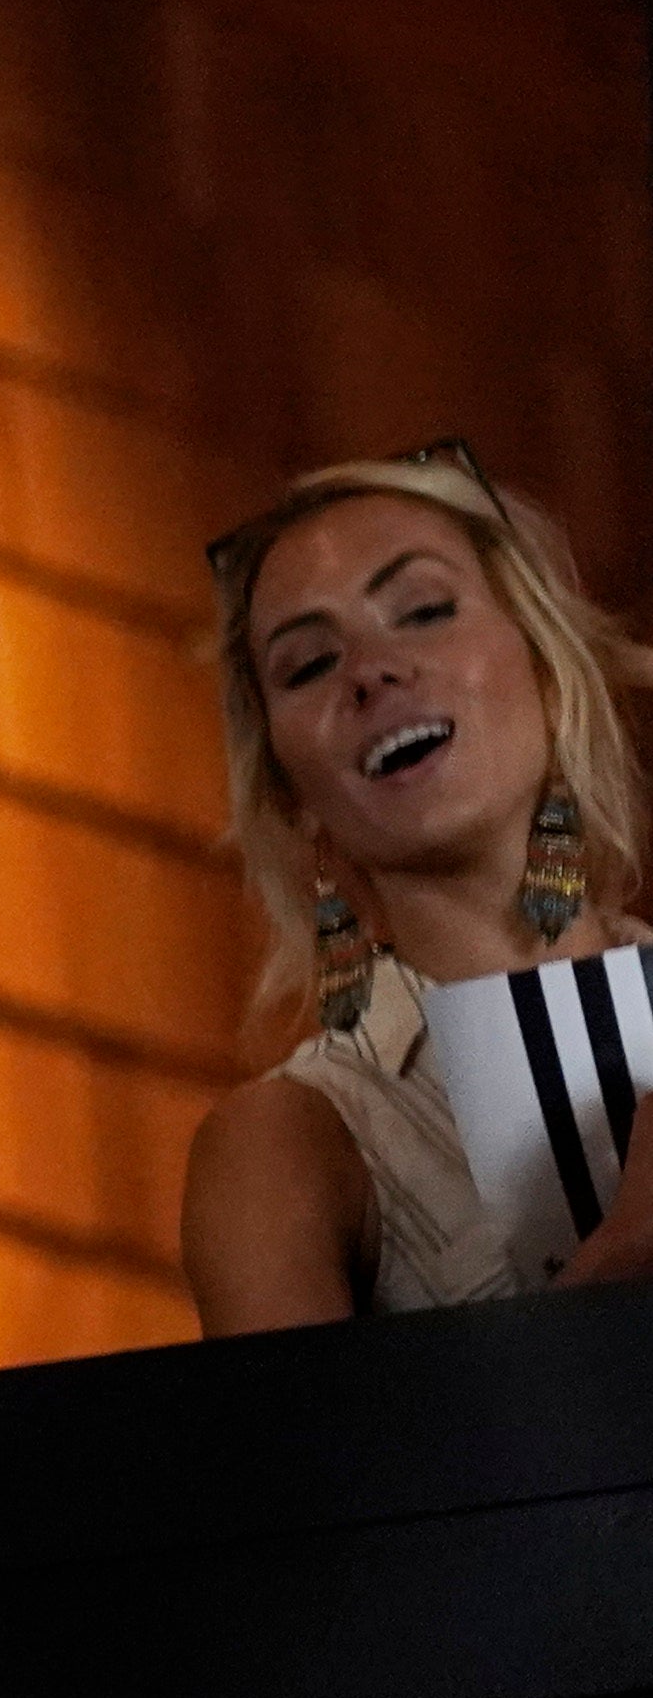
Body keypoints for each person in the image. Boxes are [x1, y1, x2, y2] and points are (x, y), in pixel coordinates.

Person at [179, 445, 653, 1327]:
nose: (371, 671)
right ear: (292, 796)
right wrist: (623, 1259)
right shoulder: (295, 1143)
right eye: (308, 666)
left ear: (546, 673)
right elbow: (309, 1465)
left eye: (424, 610)